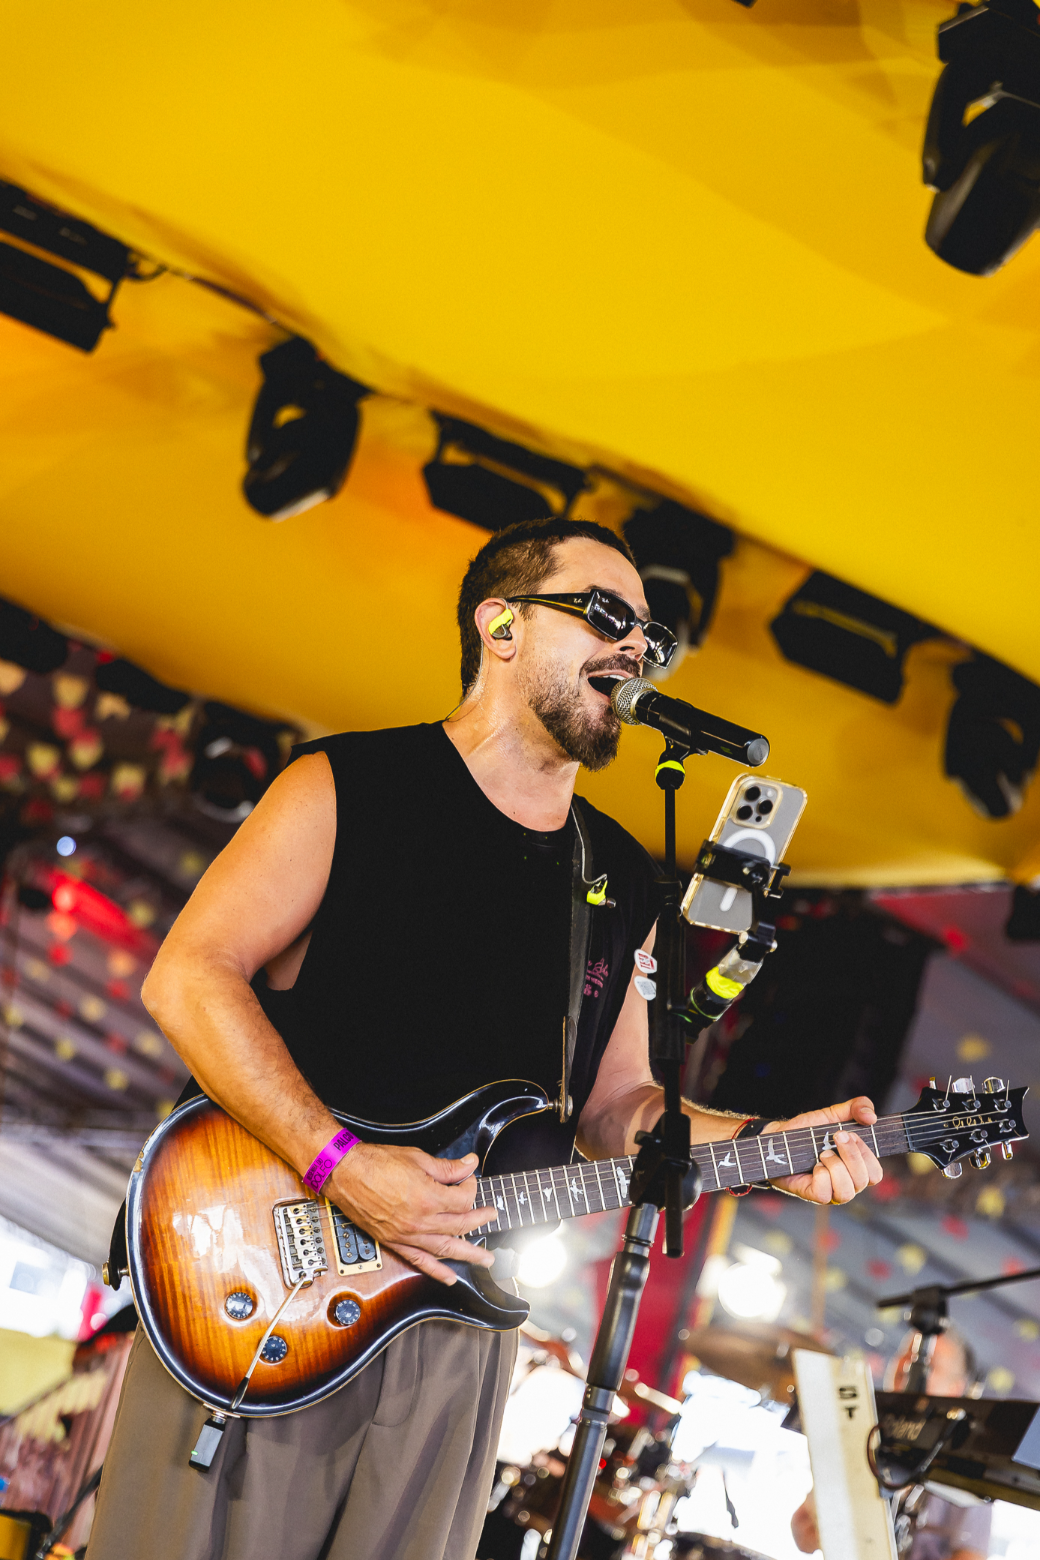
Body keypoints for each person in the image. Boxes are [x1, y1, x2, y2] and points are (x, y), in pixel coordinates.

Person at [86, 517, 883, 1560]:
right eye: (605, 615)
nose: (634, 648)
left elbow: (618, 1108)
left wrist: (770, 1145)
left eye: (649, 637)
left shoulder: (617, 875)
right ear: (499, 625)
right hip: (257, 1281)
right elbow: (190, 977)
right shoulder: (350, 784)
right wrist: (339, 1163)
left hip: (459, 1327)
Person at [790, 1329, 990, 1560]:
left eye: (928, 1363)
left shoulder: (971, 1467)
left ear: (956, 1387)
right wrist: (811, 1524)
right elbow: (805, 1538)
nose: (908, 1367)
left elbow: (971, 1556)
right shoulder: (865, 1437)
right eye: (905, 1354)